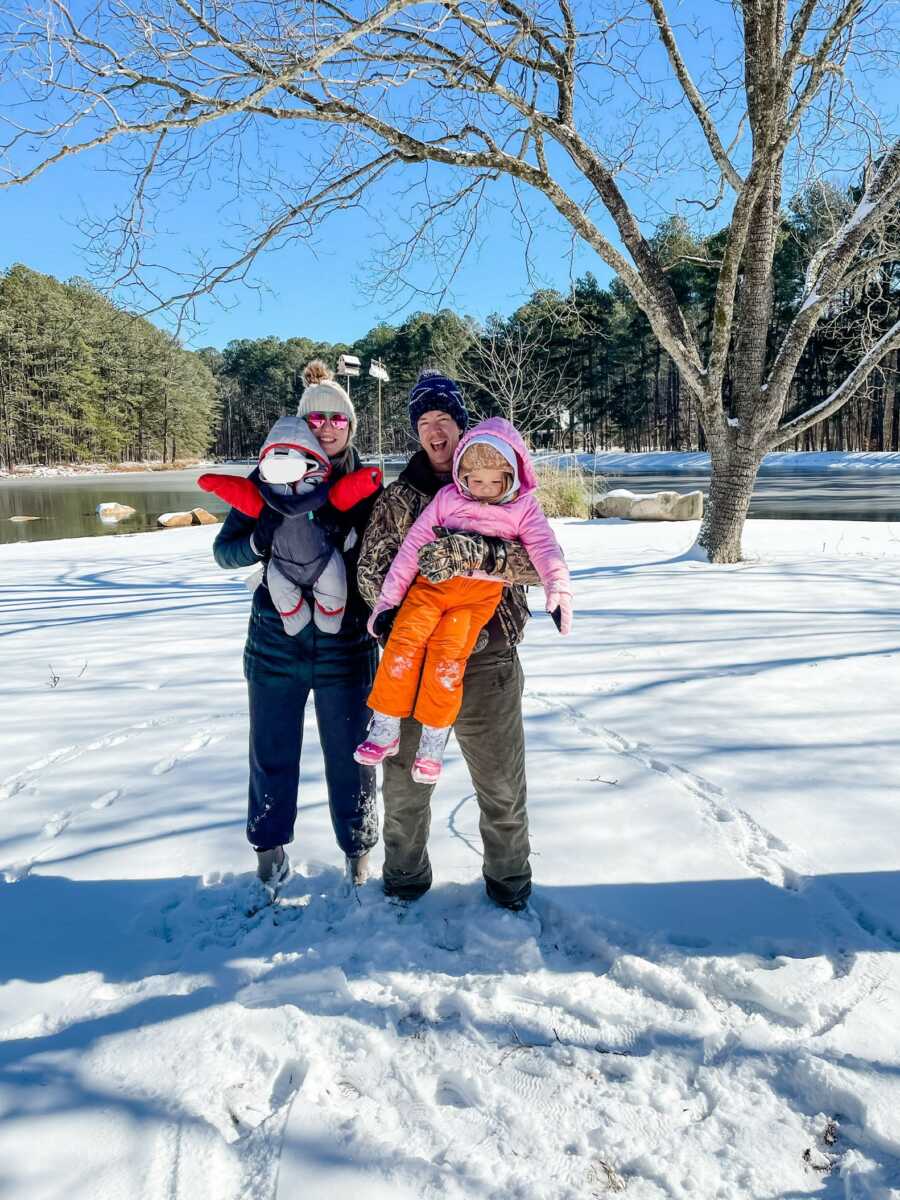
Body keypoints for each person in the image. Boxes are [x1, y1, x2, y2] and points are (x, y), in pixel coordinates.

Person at [357, 370, 546, 911]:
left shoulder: (506, 483)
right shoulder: (398, 499)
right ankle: (404, 885)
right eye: (424, 423)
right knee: (404, 792)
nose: (435, 431)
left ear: (462, 425)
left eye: (444, 419)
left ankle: (510, 888)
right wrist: (405, 619)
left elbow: (540, 562)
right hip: (413, 665)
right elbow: (371, 572)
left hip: (488, 661)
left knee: (503, 788)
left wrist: (478, 558)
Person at [212, 361, 381, 893]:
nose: (328, 425)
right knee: (271, 751)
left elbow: (392, 559)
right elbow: (225, 553)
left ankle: (358, 856)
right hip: (274, 643)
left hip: (345, 643)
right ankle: (269, 855)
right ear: (302, 425)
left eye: (338, 417)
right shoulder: (268, 478)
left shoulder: (368, 486)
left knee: (352, 755)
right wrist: (261, 540)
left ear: (351, 425)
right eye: (317, 417)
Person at [356, 418, 572, 785]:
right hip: (428, 594)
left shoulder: (522, 507)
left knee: (449, 659)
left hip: (489, 645)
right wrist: (387, 606)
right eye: (424, 422)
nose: (485, 489)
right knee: (404, 642)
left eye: (444, 420)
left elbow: (544, 555)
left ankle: (432, 743)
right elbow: (399, 556)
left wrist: (557, 590)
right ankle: (385, 725)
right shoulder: (414, 497)